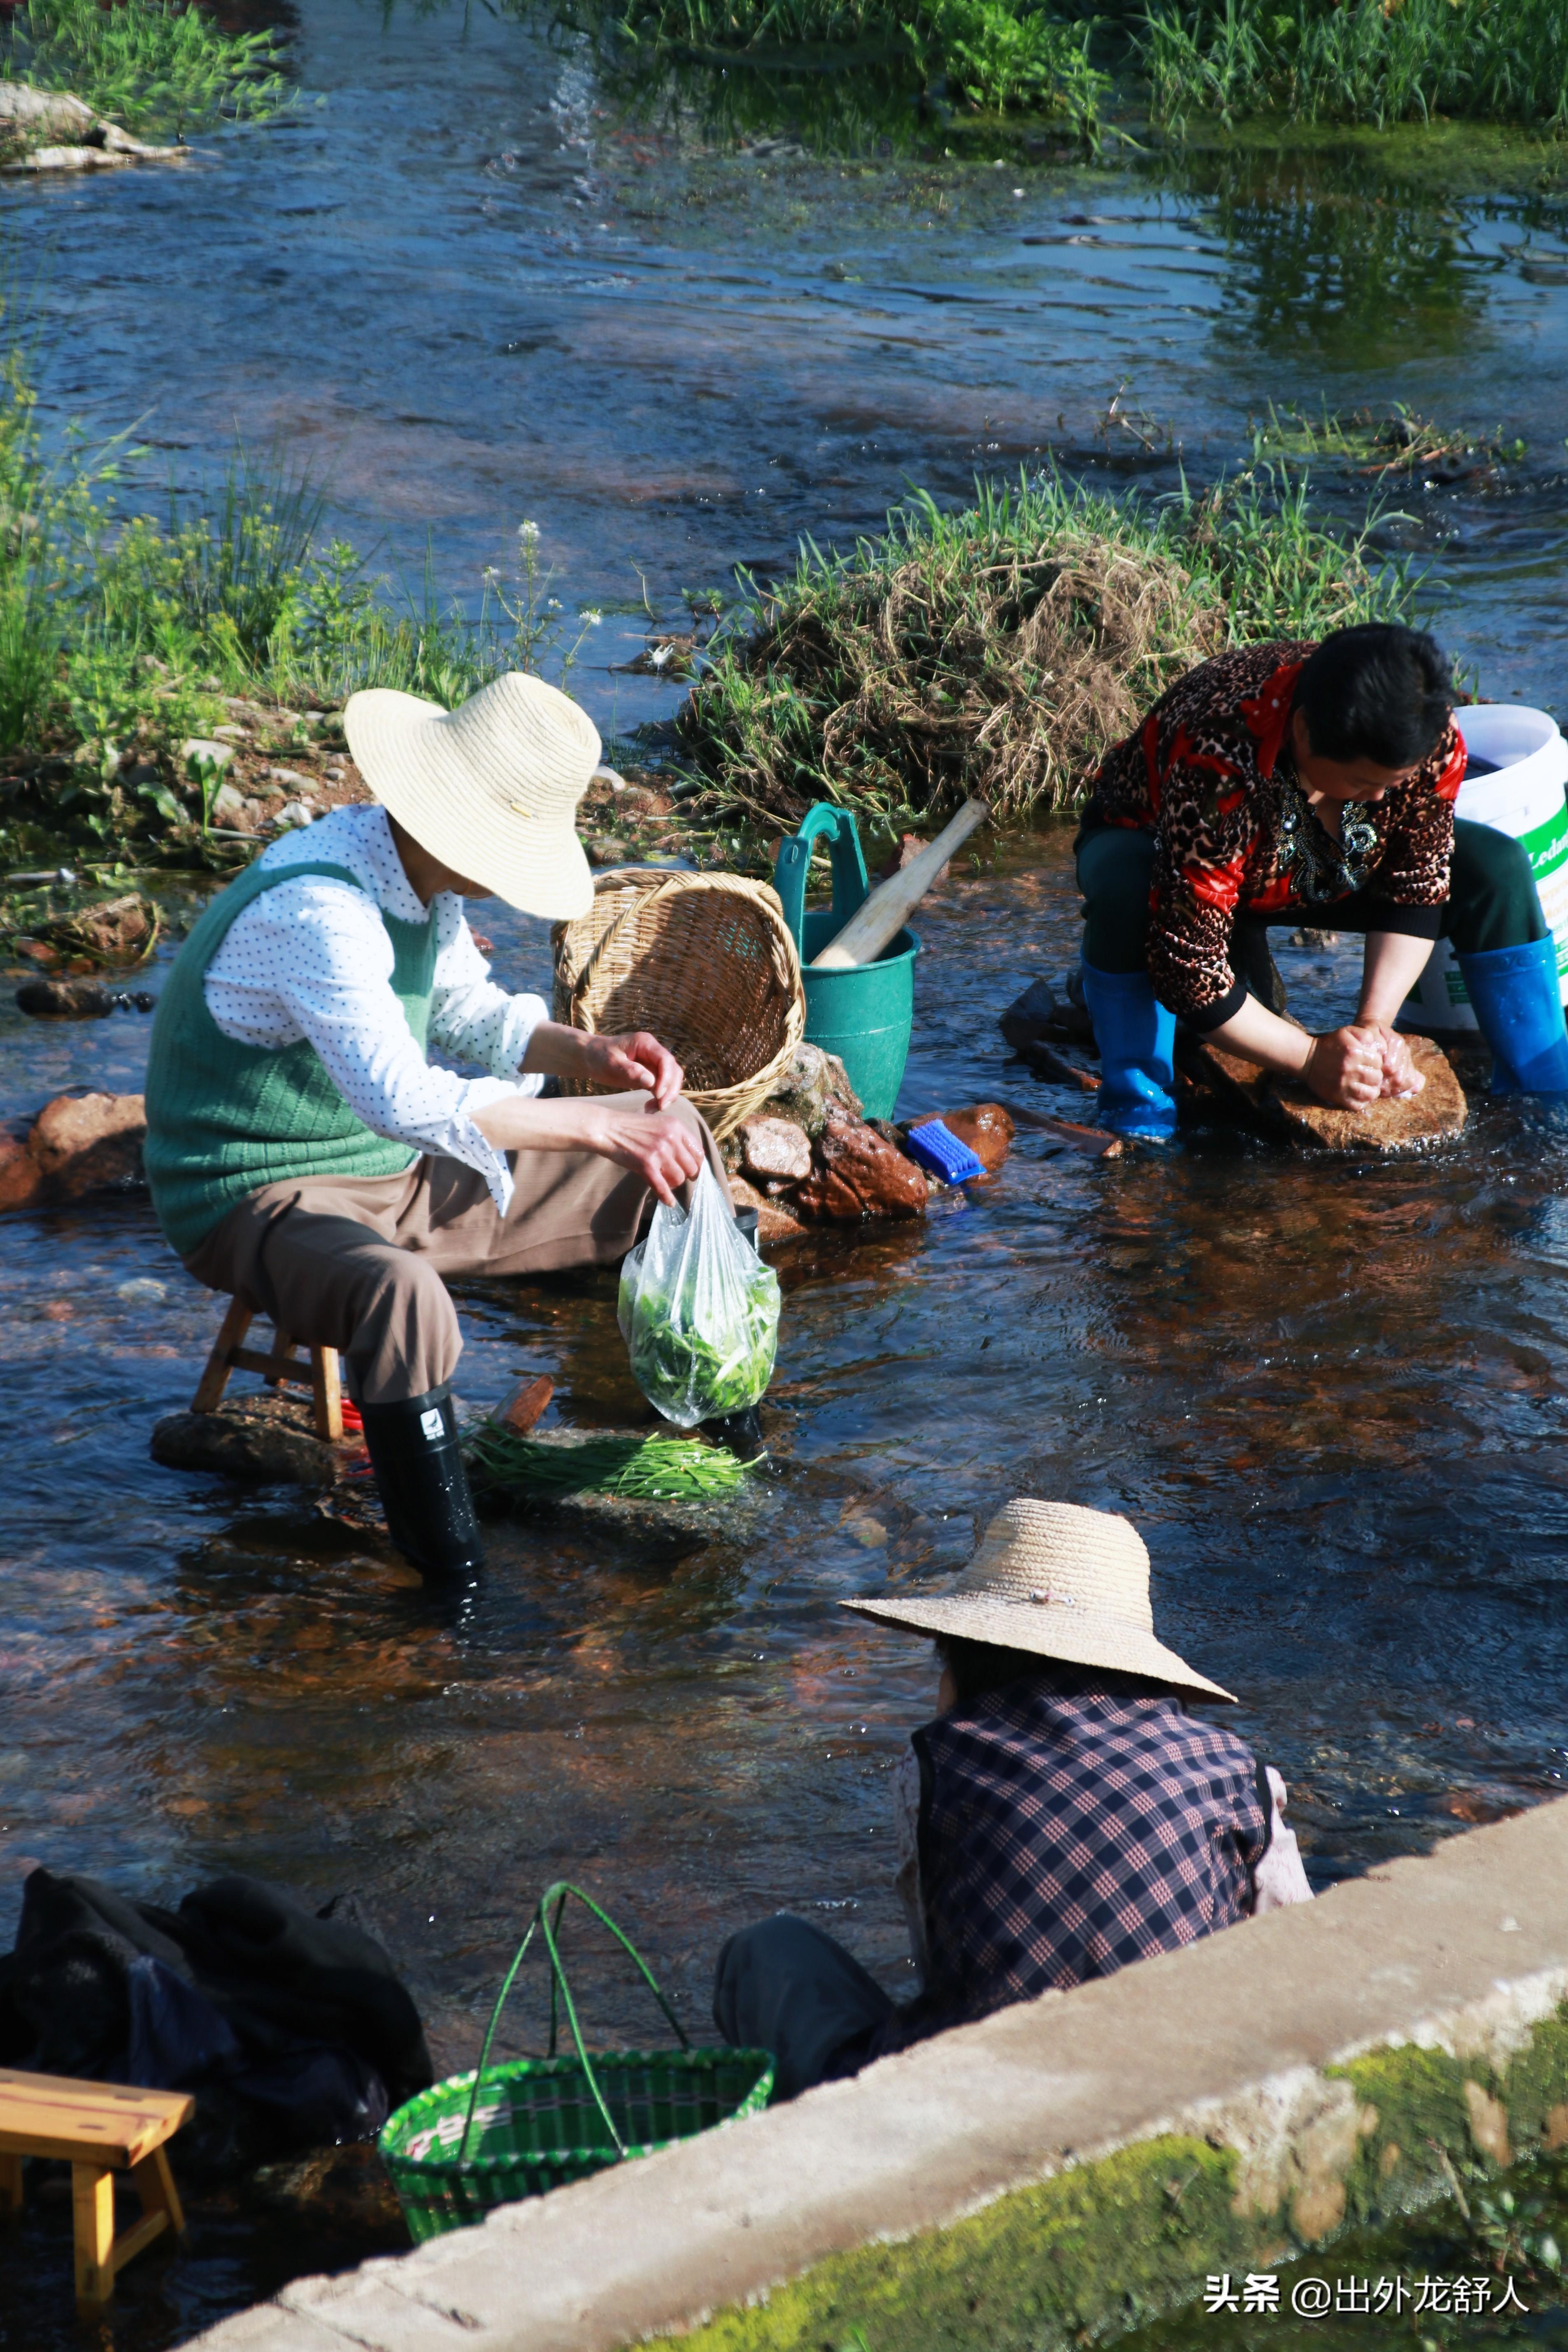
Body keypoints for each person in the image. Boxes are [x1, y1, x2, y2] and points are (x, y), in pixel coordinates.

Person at [144, 671, 727, 1582]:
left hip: (393, 1171)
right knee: (404, 1297)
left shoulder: (415, 879)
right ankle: (451, 1584)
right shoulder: (321, 909)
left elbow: (469, 1016)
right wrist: (598, 1130)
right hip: (256, 1196)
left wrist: (595, 1055)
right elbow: (402, 1097)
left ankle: (724, 1434)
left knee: (677, 1125)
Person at [713, 1499, 1310, 2099]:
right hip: (1180, 2085)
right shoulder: (1238, 1771)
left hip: (985, 2100)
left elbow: (943, 1969)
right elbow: (1292, 1948)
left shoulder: (934, 1763)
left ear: (963, 1658)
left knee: (766, 1952)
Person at [1072, 623, 1568, 1139]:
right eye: (1362, 782)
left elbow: (1416, 884)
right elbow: (1189, 967)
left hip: (1317, 865)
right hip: (1163, 855)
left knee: (1497, 867)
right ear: (1305, 732)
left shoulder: (1424, 730)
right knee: (1126, 888)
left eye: (1391, 784)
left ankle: (1545, 1103)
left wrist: (1373, 1029)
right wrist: (1311, 1059)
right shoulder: (1219, 756)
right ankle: (1139, 1111)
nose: (1379, 801)